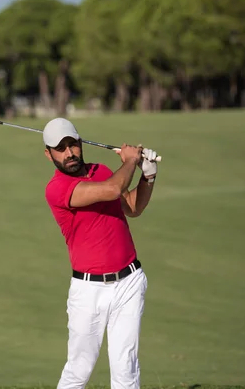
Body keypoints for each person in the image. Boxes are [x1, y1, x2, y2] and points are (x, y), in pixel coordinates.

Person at [42, 118, 159, 389]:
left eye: (73, 145)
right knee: (78, 370)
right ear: (48, 154)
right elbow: (113, 189)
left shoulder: (103, 170)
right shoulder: (56, 189)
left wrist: (148, 175)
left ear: (81, 144)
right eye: (60, 149)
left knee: (126, 368)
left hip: (128, 281)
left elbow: (131, 206)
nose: (69, 153)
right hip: (88, 290)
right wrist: (130, 161)